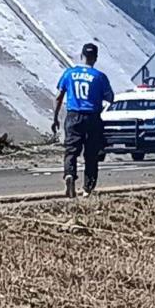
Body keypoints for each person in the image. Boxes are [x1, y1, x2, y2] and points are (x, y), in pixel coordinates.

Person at [52, 43, 114, 198]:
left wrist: (55, 118)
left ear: (81, 56)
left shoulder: (69, 73)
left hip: (73, 115)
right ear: (96, 58)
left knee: (71, 150)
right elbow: (110, 98)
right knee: (91, 154)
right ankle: (87, 188)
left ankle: (69, 174)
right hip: (92, 117)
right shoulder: (99, 76)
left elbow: (59, 97)